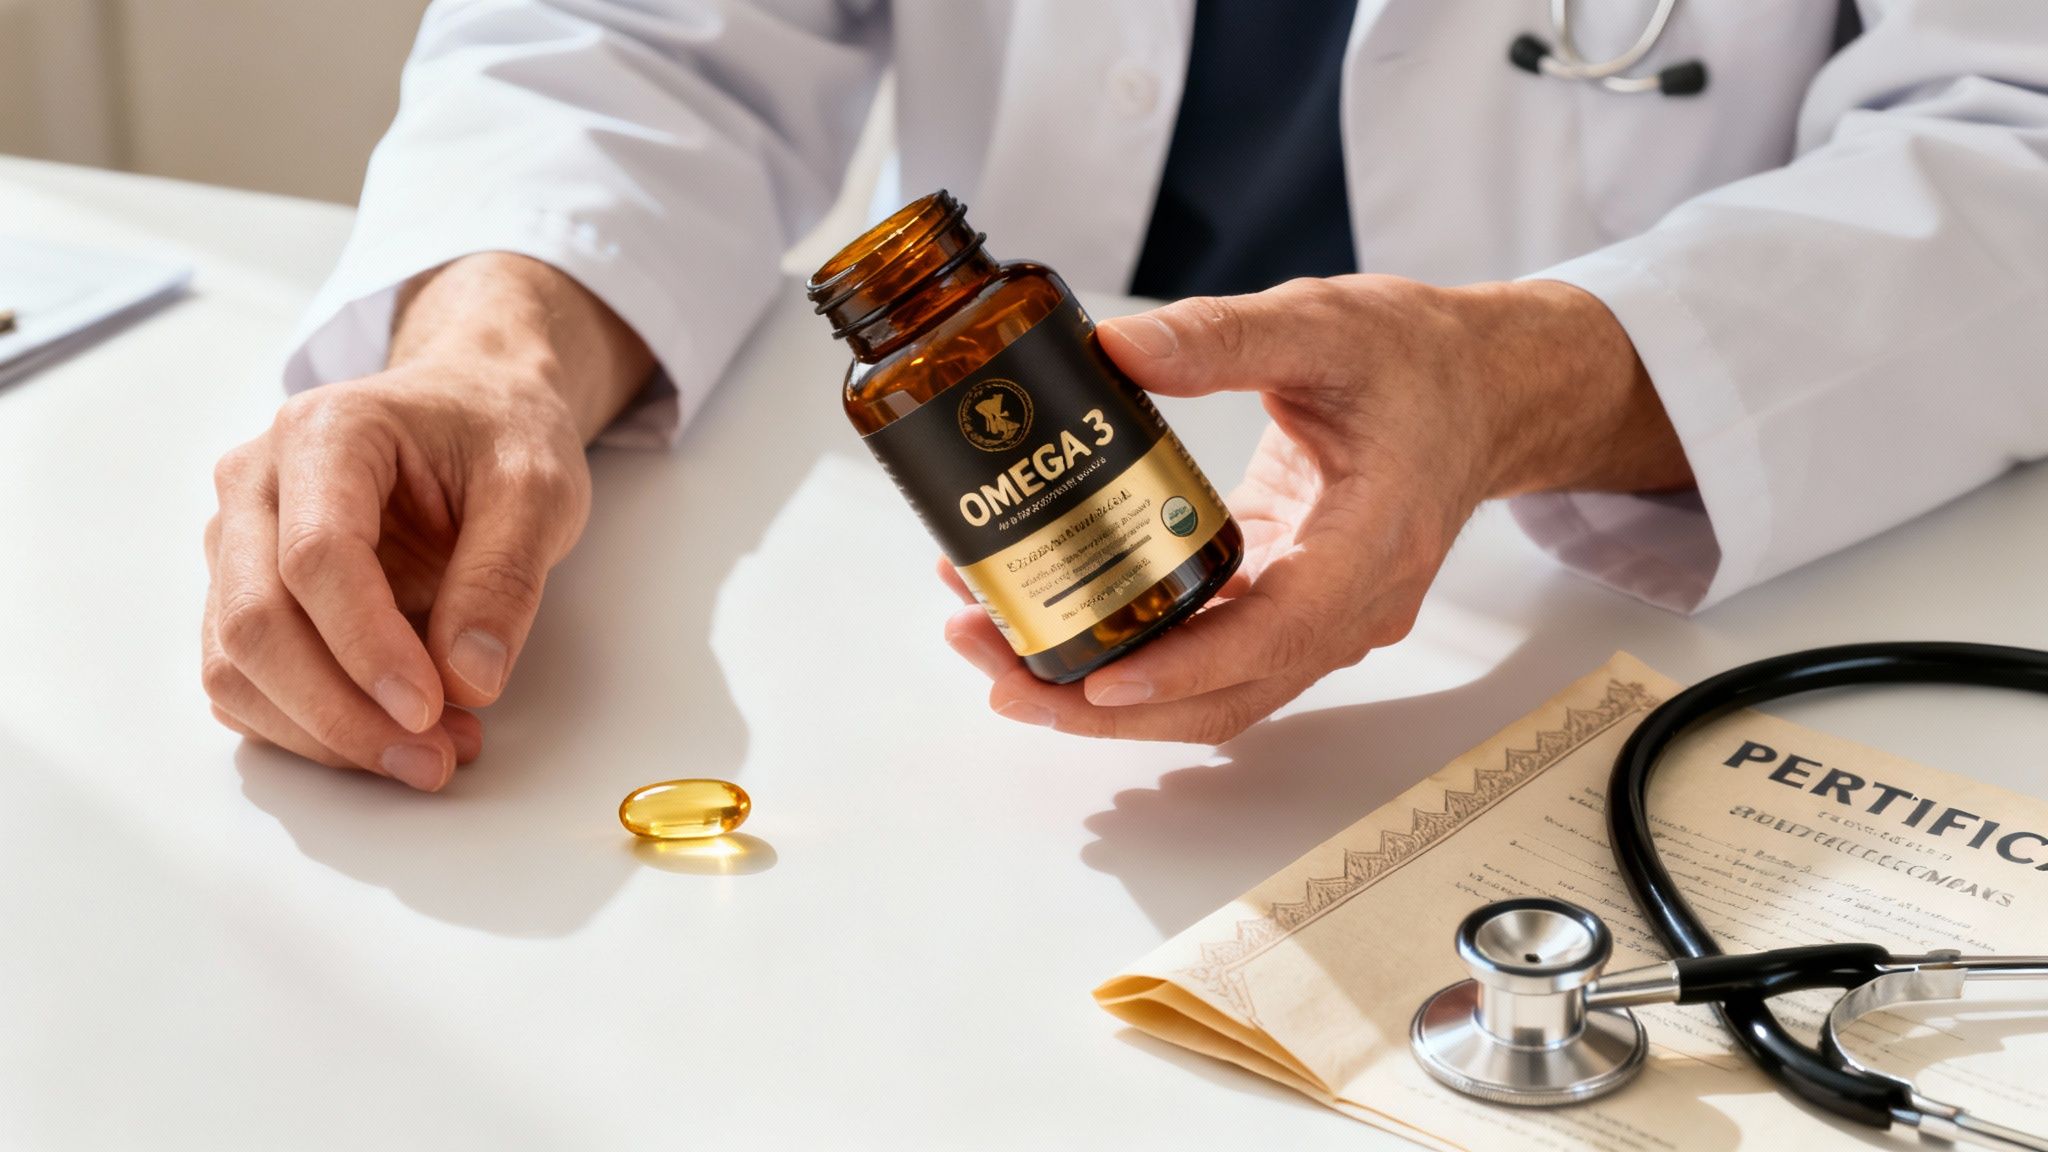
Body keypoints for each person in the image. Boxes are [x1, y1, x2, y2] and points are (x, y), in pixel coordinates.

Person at [200, 0, 2048, 791]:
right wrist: (486, 354)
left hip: (1657, 606)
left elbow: (2015, 134)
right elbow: (640, 32)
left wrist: (1521, 379)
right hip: (995, 712)